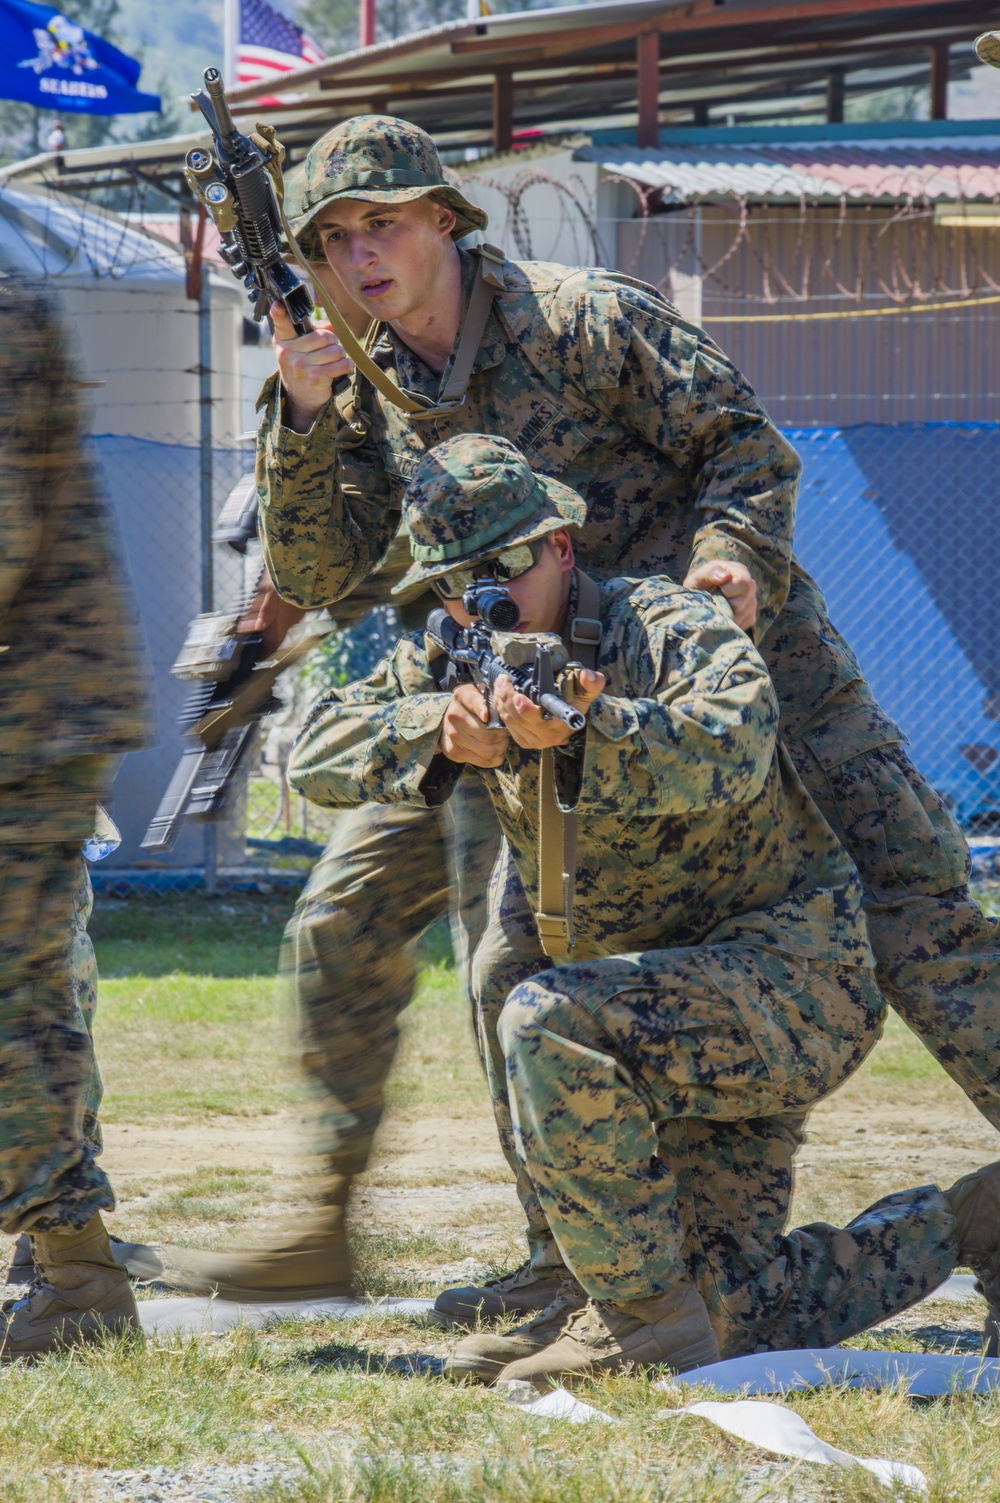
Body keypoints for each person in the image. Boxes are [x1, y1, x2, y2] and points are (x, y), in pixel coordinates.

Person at [179, 115, 1000, 1354]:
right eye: (335, 239)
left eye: (383, 225)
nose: (360, 259)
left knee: (923, 924)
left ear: (445, 220)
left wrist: (728, 568)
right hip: (536, 725)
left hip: (733, 686)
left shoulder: (579, 319)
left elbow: (741, 445)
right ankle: (578, 1268)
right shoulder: (349, 383)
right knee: (513, 968)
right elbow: (321, 569)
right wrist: (298, 423)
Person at [284, 433, 1000, 1380]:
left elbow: (734, 739)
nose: (480, 598)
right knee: (735, 1313)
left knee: (543, 1017)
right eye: (454, 582)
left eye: (502, 566)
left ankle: (635, 1315)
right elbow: (313, 751)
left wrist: (591, 730)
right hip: (651, 1013)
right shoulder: (454, 655)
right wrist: (440, 729)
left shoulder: (663, 624)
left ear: (562, 548)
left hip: (785, 985)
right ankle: (970, 1220)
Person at [0, 272, 150, 1355]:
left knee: (14, 1004)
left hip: (26, 712)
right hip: (38, 705)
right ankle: (67, 1267)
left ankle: (77, 1279)